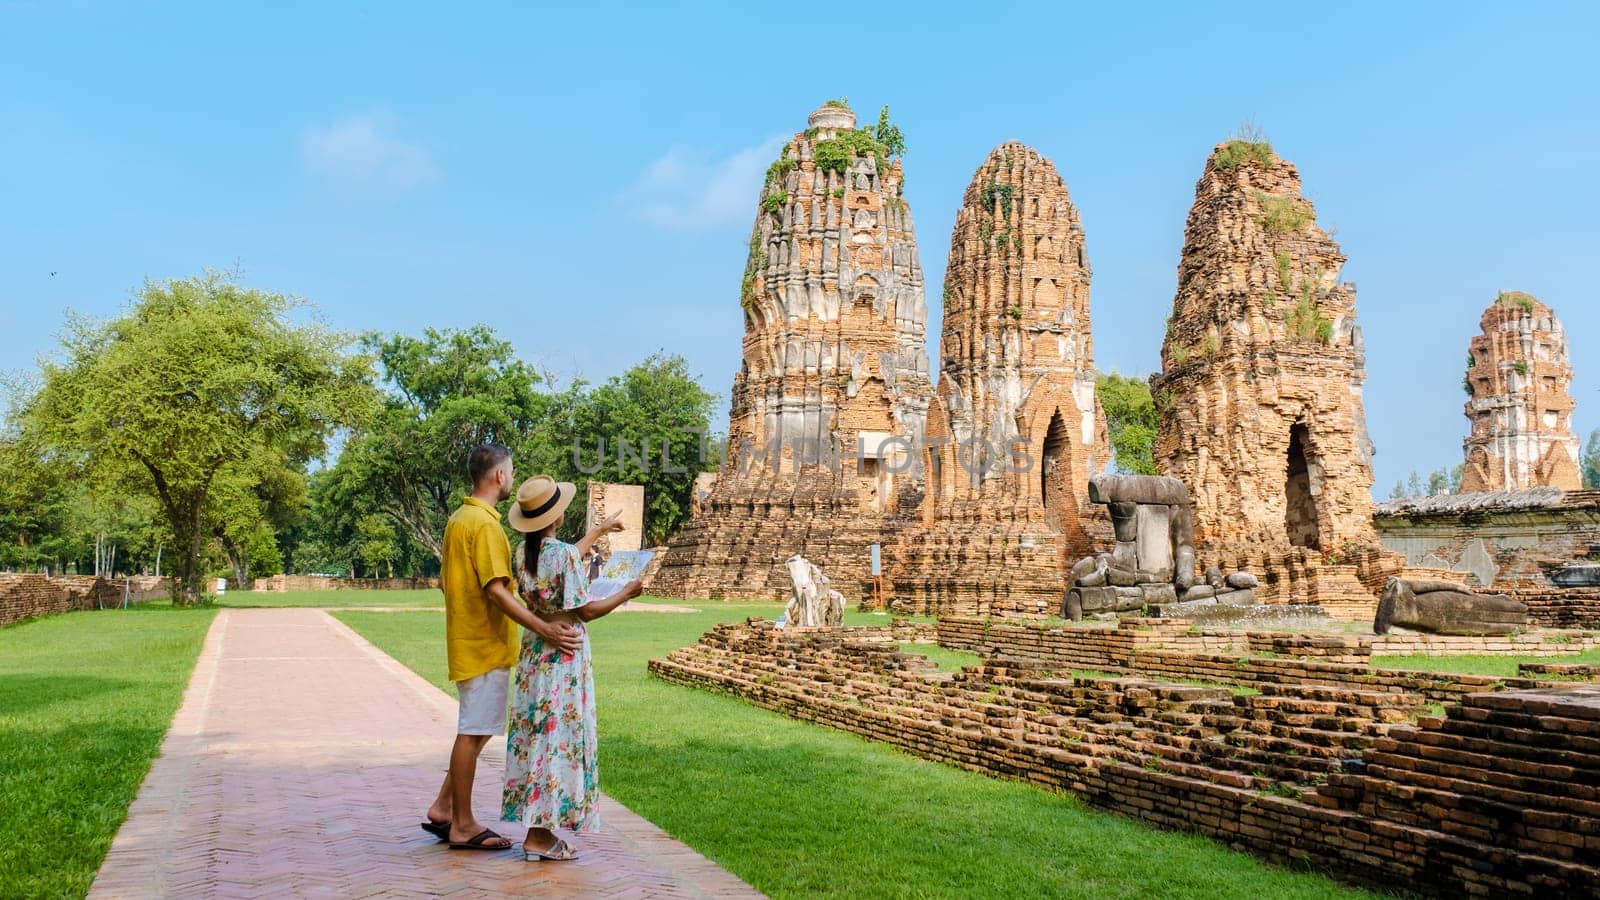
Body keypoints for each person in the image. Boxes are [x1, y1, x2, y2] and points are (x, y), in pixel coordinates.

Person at [422, 445, 583, 851]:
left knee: (477, 732)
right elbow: (496, 590)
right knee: (473, 733)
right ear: (499, 477)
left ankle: (445, 807)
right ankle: (462, 824)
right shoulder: (486, 526)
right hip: (483, 643)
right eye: (510, 472)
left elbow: (452, 582)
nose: (511, 478)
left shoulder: (460, 519)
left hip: (467, 638)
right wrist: (543, 627)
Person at [501, 474, 642, 861]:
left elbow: (564, 560)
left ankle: (536, 827)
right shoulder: (560, 554)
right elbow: (586, 611)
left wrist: (596, 531)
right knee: (557, 739)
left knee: (538, 738)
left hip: (535, 653)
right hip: (563, 654)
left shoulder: (522, 551)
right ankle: (539, 835)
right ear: (558, 516)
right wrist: (624, 592)